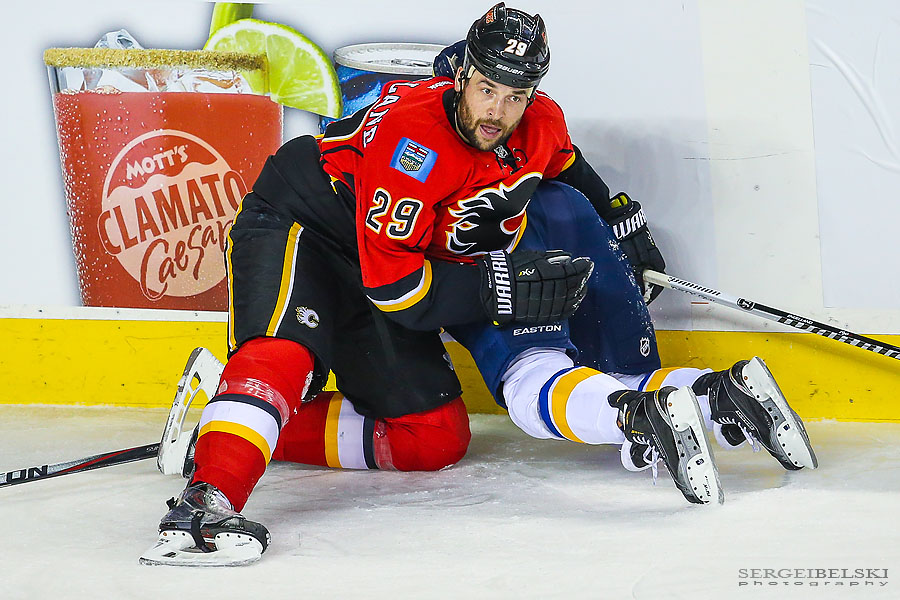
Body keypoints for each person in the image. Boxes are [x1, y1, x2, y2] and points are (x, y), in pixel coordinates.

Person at [141, 3, 817, 567]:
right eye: (487, 88)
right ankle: (207, 502)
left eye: (516, 94)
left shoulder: (536, 121)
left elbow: (568, 166)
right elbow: (397, 291)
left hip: (390, 258)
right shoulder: (416, 144)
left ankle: (221, 422)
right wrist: (503, 291)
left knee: (430, 438)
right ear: (462, 72)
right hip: (307, 223)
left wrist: (621, 222)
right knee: (283, 355)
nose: (497, 110)